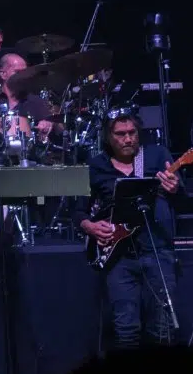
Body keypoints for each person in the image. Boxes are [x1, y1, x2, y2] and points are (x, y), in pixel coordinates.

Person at [78, 112, 184, 351]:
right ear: (108, 137)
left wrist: (175, 188)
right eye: (120, 134)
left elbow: (184, 200)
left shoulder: (157, 155)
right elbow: (78, 211)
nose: (128, 139)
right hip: (118, 256)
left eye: (132, 132)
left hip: (157, 249)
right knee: (126, 328)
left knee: (164, 327)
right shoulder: (96, 166)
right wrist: (90, 226)